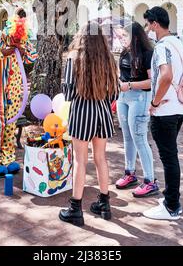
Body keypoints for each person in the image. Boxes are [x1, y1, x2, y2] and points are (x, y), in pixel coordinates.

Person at [59, 22, 119, 226]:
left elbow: (67, 93)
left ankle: (75, 209)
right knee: (101, 158)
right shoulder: (109, 58)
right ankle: (104, 203)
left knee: (80, 160)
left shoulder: (74, 59)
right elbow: (115, 91)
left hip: (82, 111)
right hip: (102, 111)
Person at [0, 14, 37, 176]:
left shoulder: (21, 42)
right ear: (7, 33)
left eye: (19, 41)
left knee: (10, 127)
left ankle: (8, 158)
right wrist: (0, 53)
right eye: (14, 41)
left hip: (15, 91)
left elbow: (32, 57)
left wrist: (24, 51)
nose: (16, 44)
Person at [142, 6, 183, 220]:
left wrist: (154, 101)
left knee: (169, 158)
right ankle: (170, 198)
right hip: (179, 108)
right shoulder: (178, 43)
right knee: (171, 157)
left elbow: (166, 76)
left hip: (165, 110)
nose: (148, 29)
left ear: (155, 24)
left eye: (149, 24)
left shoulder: (161, 46)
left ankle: (171, 206)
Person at [115, 22, 159, 197]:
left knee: (139, 138)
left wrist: (130, 85)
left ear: (134, 37)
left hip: (140, 97)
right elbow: (122, 74)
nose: (121, 39)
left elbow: (152, 82)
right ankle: (130, 173)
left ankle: (150, 181)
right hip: (123, 97)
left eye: (124, 36)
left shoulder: (148, 53)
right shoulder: (125, 52)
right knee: (127, 137)